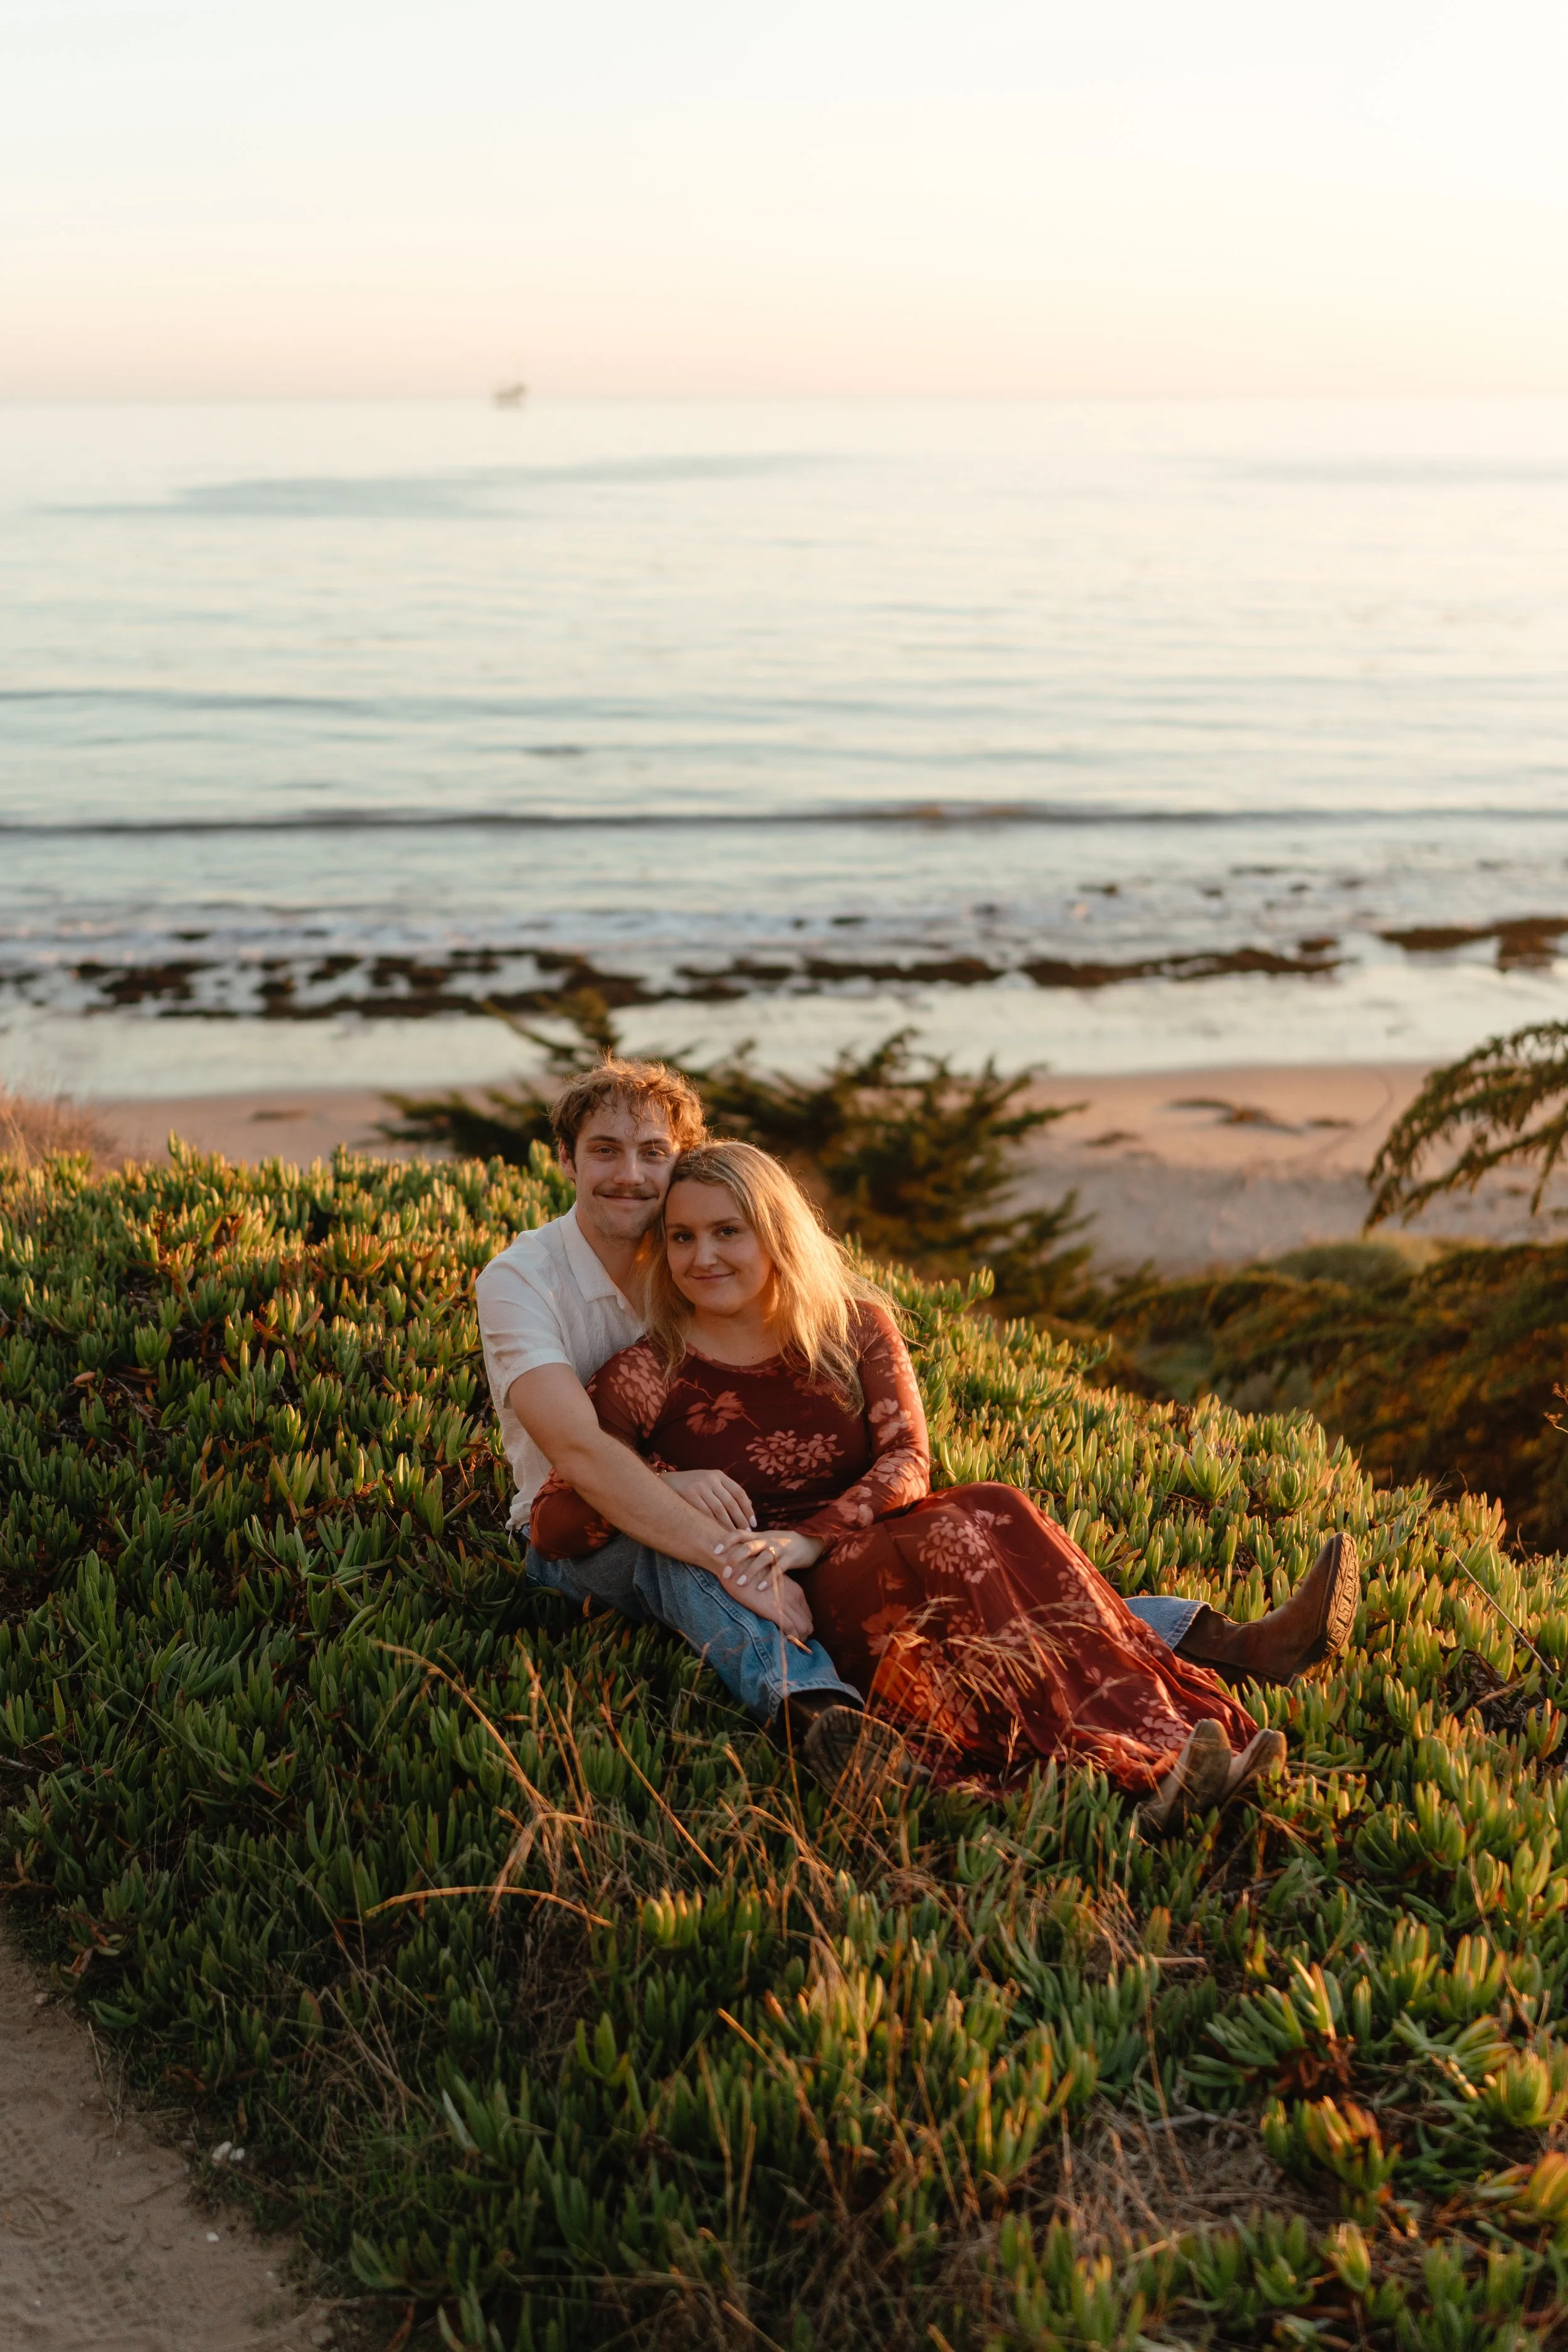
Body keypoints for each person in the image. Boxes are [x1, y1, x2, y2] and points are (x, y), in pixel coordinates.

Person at [477, 1056, 1359, 1793]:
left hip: (833, 1546)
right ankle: (819, 1716)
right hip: (627, 1539)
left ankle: (1206, 1687)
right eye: (604, 1151)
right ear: (566, 1158)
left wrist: (808, 1544)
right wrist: (711, 1521)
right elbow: (581, 1468)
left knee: (994, 1525)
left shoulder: (847, 1321)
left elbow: (909, 1462)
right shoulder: (545, 1296)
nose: (699, 1251)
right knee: (696, 1554)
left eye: (722, 1228)